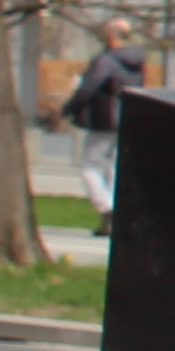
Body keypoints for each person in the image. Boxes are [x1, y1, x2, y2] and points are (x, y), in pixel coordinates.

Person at [61, 18, 143, 214]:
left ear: (112, 34)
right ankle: (118, 210)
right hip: (127, 117)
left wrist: (70, 108)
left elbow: (88, 88)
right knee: (114, 167)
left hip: (104, 118)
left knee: (89, 166)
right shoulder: (137, 61)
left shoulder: (106, 60)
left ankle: (107, 208)